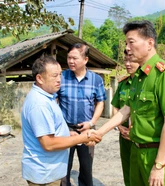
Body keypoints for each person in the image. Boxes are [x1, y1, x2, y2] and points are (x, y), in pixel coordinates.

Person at [97, 20, 165, 186]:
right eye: (126, 42)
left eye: (131, 42)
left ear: (150, 43)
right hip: (135, 149)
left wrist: (159, 165)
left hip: (154, 153)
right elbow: (126, 110)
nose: (127, 47)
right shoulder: (138, 76)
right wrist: (100, 132)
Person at [21, 55, 101, 186]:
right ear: (39, 78)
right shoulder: (40, 104)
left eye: (60, 75)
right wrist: (82, 138)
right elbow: (48, 144)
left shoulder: (48, 97)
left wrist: (67, 134)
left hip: (49, 172)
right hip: (45, 176)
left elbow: (49, 130)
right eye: (54, 76)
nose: (59, 80)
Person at [57, 43, 107, 186]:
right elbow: (54, 101)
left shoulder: (96, 79)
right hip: (66, 129)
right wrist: (61, 125)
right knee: (63, 166)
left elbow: (100, 103)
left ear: (85, 60)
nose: (71, 61)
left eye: (75, 58)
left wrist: (91, 123)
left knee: (86, 167)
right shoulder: (62, 78)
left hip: (88, 130)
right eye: (69, 58)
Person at [111, 50, 139, 186]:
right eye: (125, 61)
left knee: (140, 173)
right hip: (124, 137)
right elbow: (116, 106)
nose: (127, 64)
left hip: (139, 137)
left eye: (131, 61)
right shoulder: (123, 83)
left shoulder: (144, 83)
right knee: (127, 171)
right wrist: (119, 127)